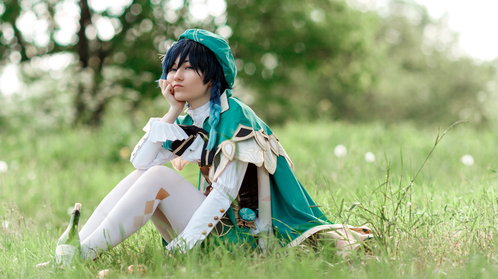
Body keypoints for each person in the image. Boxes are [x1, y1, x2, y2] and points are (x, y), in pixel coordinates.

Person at [51, 29, 370, 265]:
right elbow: (141, 163)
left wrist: (179, 250)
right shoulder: (192, 118)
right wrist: (172, 111)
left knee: (158, 178)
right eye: (172, 68)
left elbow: (223, 194)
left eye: (188, 67)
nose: (176, 76)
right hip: (216, 231)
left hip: (248, 242)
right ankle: (73, 250)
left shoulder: (235, 118)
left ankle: (82, 255)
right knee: (145, 175)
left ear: (212, 74)